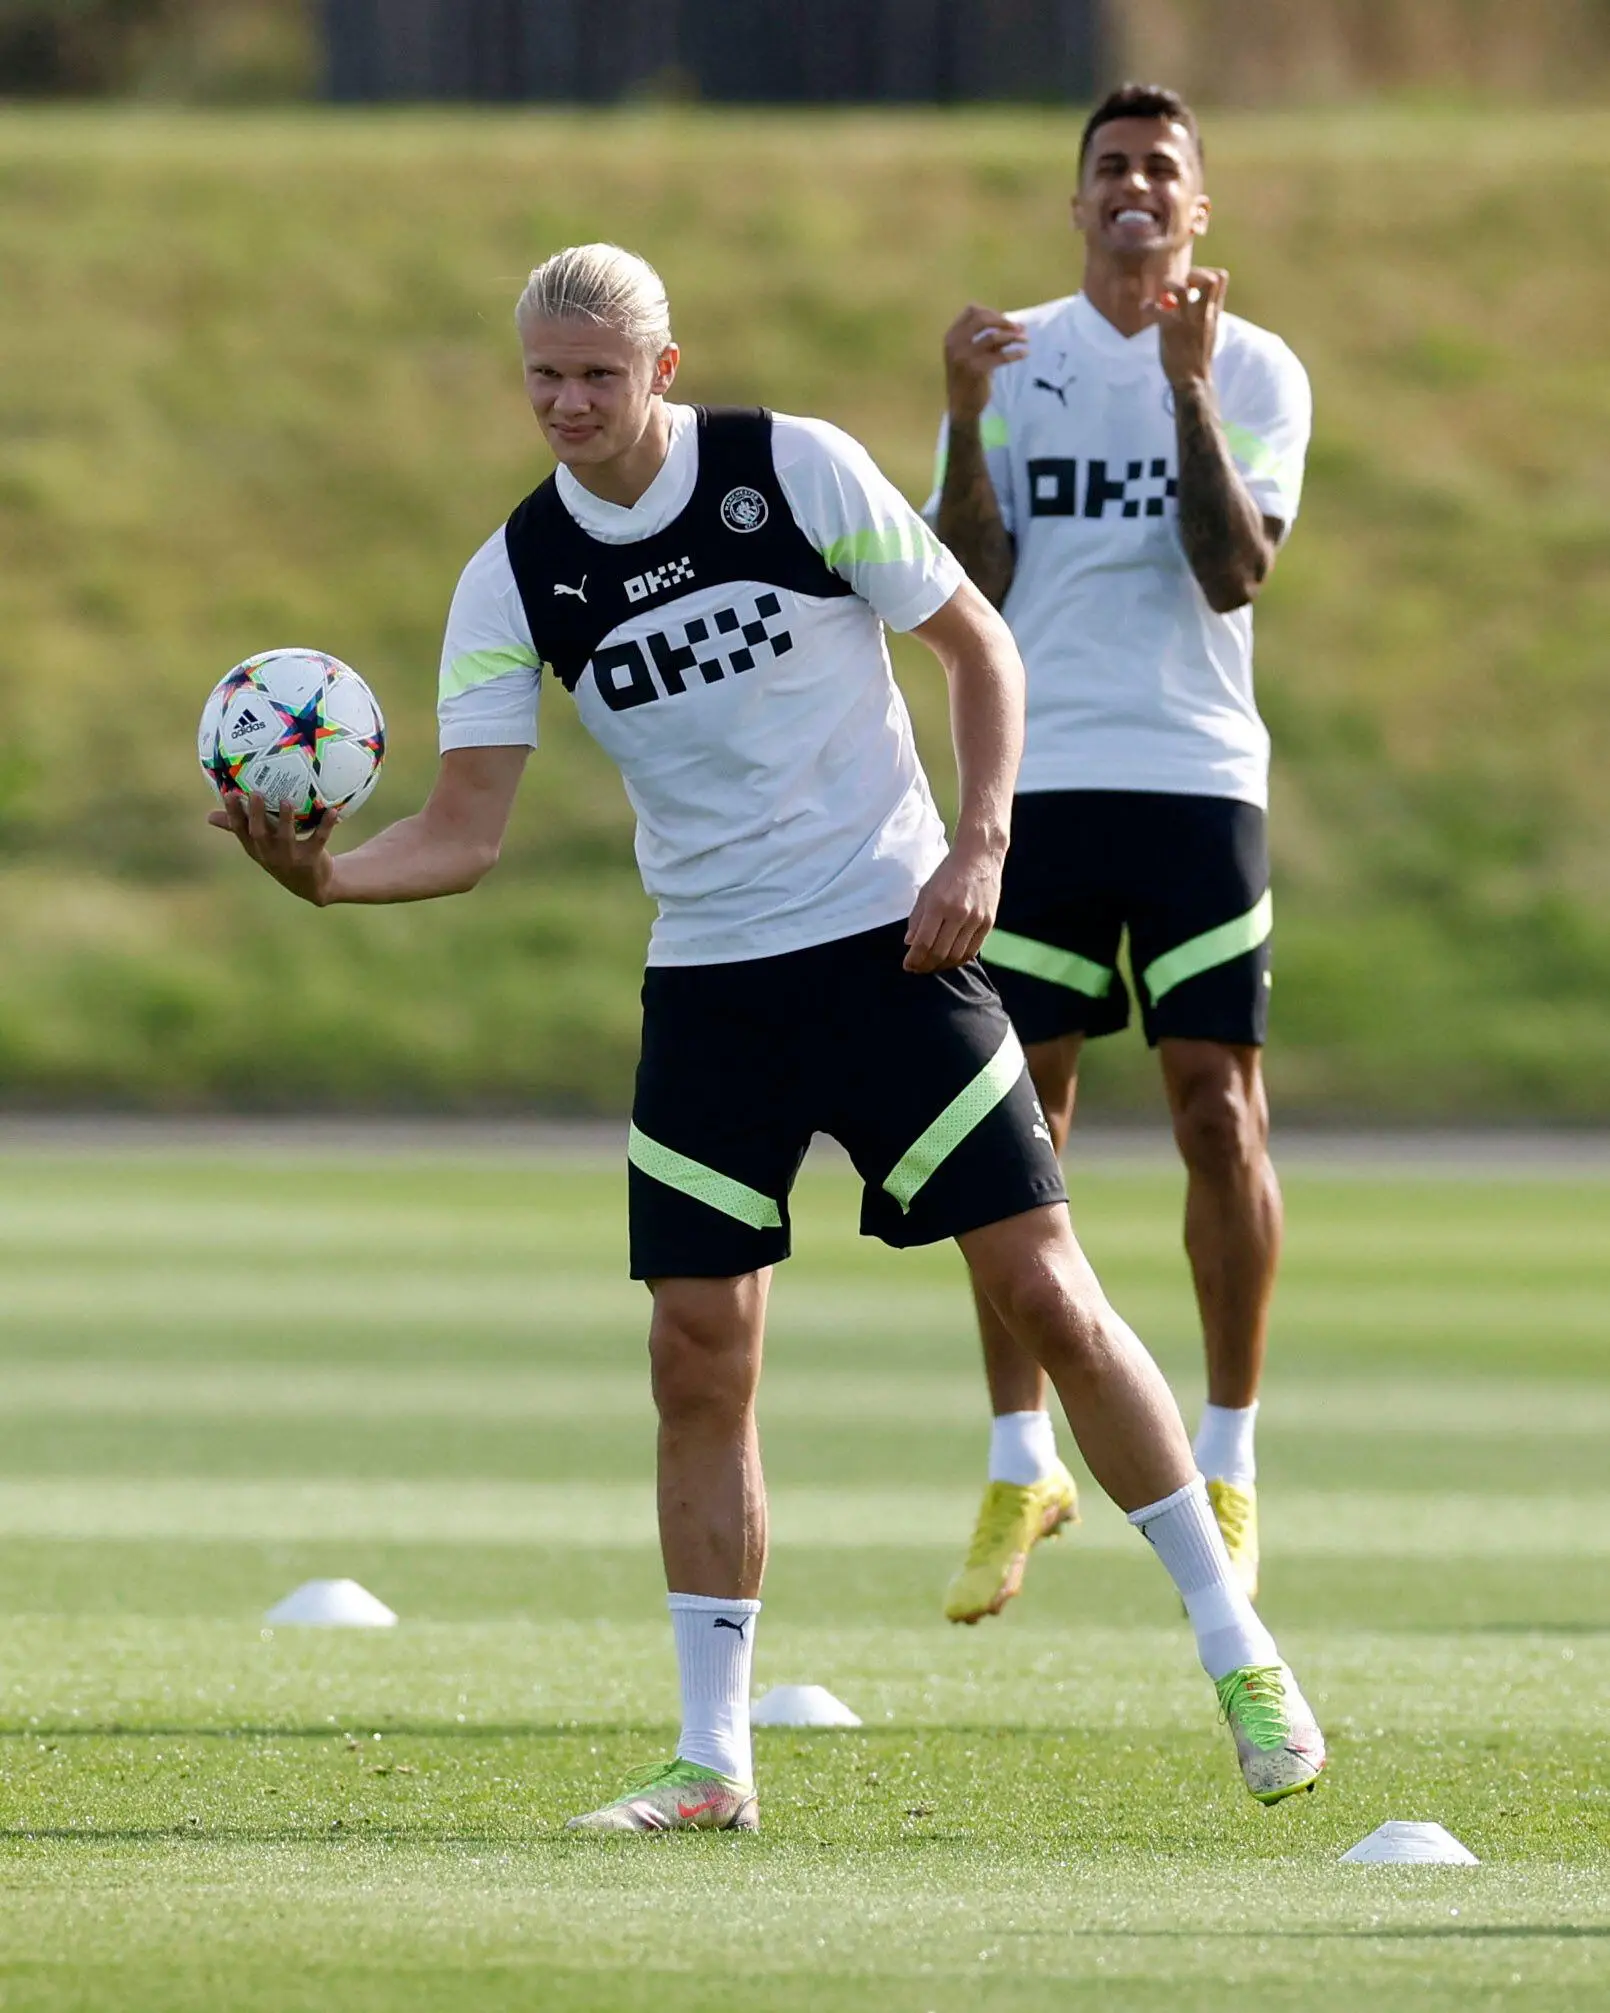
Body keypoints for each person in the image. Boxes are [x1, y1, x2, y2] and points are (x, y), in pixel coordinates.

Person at [212, 241, 1324, 1831]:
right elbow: (461, 830)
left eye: (599, 373)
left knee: (1046, 1293)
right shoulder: (513, 574)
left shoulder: (790, 468)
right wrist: (321, 880)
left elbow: (977, 645)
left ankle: (1240, 1652)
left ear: (662, 370)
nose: (568, 402)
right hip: (712, 993)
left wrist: (980, 845)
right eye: (543, 375)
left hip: (894, 951)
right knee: (696, 1356)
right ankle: (709, 1760)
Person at [928, 85, 1312, 1626]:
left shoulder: (1255, 365)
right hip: (1042, 785)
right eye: (1109, 170)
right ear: (1073, 203)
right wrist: (958, 418)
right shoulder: (1011, 364)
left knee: (1217, 1113)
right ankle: (1023, 1454)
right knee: (1016, 1132)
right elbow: (968, 580)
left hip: (1193, 778)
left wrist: (1186, 390)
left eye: (1161, 168)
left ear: (1196, 209)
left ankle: (1226, 1456)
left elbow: (1232, 573)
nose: (1134, 188)